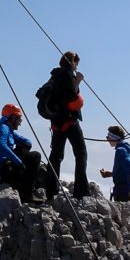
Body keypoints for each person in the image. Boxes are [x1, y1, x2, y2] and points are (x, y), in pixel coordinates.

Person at [47, 51, 89, 199]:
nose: (77, 66)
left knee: (56, 155)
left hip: (57, 121)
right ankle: (81, 192)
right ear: (73, 62)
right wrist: (78, 80)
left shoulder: (55, 75)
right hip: (69, 120)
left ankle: (50, 190)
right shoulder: (67, 75)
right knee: (81, 153)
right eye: (76, 63)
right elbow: (71, 95)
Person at [0, 104, 45, 203]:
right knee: (35, 156)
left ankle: (26, 190)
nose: (20, 123)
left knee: (25, 152)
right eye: (19, 119)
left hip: (1, 167)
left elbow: (25, 140)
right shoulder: (3, 129)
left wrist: (25, 144)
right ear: (12, 118)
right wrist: (19, 162)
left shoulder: (8, 130)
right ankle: (27, 194)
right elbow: (2, 146)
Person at [99, 126, 130, 204]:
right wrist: (110, 174)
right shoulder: (127, 149)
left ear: (114, 138)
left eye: (108, 137)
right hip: (127, 192)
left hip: (123, 193)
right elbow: (125, 171)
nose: (107, 139)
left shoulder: (120, 151)